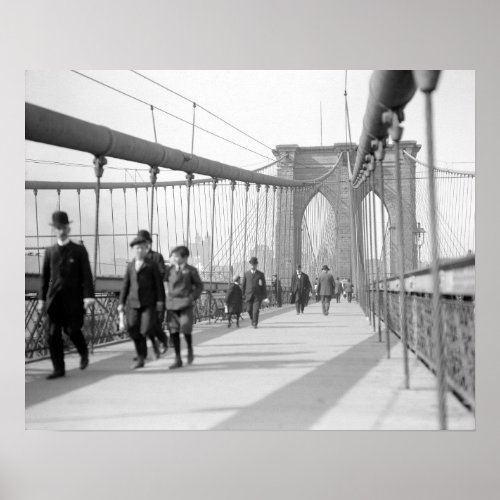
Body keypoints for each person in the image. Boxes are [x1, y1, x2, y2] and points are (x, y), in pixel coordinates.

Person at [38, 211, 95, 380]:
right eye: (57, 228)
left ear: (68, 229)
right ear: (54, 230)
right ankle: (58, 369)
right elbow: (44, 277)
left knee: (72, 330)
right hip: (54, 300)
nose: (61, 231)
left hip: (74, 300)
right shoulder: (49, 252)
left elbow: (86, 274)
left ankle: (83, 352)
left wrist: (88, 297)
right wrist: (41, 299)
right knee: (52, 334)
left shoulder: (79, 250)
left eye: (63, 228)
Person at [118, 236, 165, 369]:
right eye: (137, 248)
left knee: (145, 329)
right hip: (132, 304)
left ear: (146, 249)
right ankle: (141, 356)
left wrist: (160, 301)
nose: (140, 250)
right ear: (133, 250)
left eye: (142, 248)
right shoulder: (131, 266)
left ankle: (141, 357)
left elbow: (158, 285)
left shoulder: (152, 265)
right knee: (133, 329)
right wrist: (121, 302)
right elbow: (125, 285)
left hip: (148, 303)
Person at [165, 246, 204, 369]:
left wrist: (192, 297)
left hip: (185, 304)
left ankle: (189, 349)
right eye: (173, 256)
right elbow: (165, 282)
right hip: (172, 305)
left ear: (185, 258)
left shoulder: (191, 270)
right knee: (174, 330)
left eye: (176, 256)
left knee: (186, 327)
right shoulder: (169, 270)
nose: (174, 258)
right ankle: (178, 358)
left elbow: (199, 286)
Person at [137, 229, 169, 355]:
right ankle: (142, 354)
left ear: (149, 243)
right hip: (141, 298)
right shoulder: (136, 259)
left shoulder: (156, 257)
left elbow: (162, 272)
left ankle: (162, 340)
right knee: (142, 326)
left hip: (155, 297)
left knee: (154, 323)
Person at [241, 257, 267, 328]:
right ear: (249, 265)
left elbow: (264, 286)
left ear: (256, 265)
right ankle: (253, 319)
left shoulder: (260, 274)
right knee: (249, 310)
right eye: (251, 264)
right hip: (248, 295)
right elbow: (243, 285)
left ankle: (255, 323)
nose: (253, 266)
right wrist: (242, 295)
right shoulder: (246, 274)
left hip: (257, 296)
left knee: (255, 310)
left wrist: (265, 297)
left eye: (254, 264)